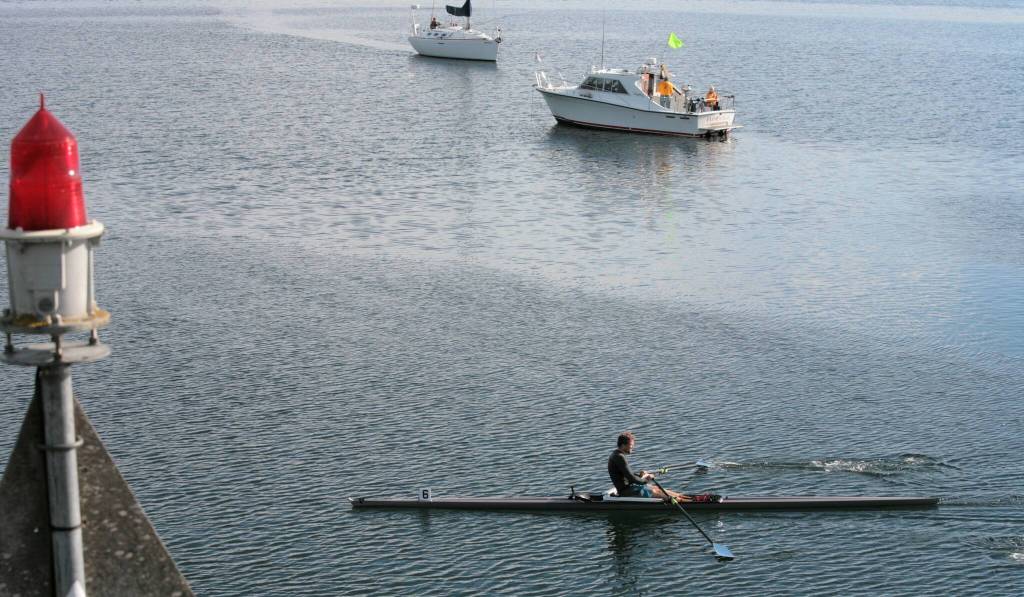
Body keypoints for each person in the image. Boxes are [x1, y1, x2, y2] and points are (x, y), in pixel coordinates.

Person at [607, 432, 692, 502]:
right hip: (626, 491)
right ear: (623, 445)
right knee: (657, 492)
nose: (633, 447)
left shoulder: (617, 454)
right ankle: (689, 502)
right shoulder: (619, 457)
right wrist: (646, 480)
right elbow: (632, 478)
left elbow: (628, 475)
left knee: (657, 488)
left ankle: (687, 498)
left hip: (631, 487)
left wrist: (640, 475)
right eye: (631, 445)